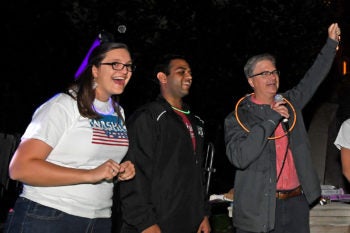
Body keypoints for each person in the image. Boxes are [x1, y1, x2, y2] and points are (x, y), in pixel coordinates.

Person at [3, 41, 136, 233]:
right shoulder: (64, 105)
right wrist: (90, 175)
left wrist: (118, 172)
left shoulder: (118, 112)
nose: (124, 71)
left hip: (99, 221)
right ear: (95, 70)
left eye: (128, 65)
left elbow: (93, 165)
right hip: (48, 216)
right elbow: (20, 168)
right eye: (115, 64)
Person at [224, 23, 341, 233]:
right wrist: (271, 119)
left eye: (274, 71)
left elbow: (312, 78)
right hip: (261, 207)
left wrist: (331, 44)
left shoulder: (290, 103)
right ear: (251, 81)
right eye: (264, 73)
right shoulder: (239, 117)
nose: (272, 77)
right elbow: (240, 157)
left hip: (296, 203)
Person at [119, 54, 211, 233]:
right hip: (154, 223)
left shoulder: (196, 121)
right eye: (181, 72)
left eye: (190, 72)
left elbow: (197, 174)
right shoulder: (149, 117)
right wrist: (145, 223)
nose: (189, 76)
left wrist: (203, 214)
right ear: (162, 77)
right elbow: (134, 173)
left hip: (189, 221)